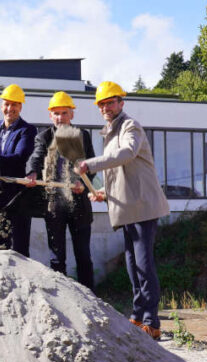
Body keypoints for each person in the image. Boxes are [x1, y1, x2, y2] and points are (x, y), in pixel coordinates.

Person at [79, 81, 170, 340]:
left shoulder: (131, 126)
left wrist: (91, 164)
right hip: (127, 208)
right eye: (102, 104)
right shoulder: (109, 133)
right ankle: (138, 315)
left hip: (142, 206)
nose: (106, 107)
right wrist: (104, 193)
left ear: (121, 103)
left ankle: (152, 322)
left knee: (143, 264)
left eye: (110, 102)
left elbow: (127, 153)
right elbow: (119, 173)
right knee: (132, 265)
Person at [25, 91, 96, 289]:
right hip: (54, 203)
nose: (60, 117)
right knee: (57, 257)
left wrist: (85, 182)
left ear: (72, 114)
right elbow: (36, 157)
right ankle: (62, 298)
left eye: (64, 113)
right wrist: (31, 173)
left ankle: (91, 299)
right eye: (56, 113)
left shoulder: (82, 136)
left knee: (83, 255)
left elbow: (91, 164)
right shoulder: (44, 137)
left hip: (79, 202)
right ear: (50, 116)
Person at [0, 84, 37, 256]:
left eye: (14, 104)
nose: (10, 108)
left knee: (19, 246)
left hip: (17, 194)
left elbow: (20, 157)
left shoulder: (27, 130)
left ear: (21, 106)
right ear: (1, 105)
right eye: (6, 104)